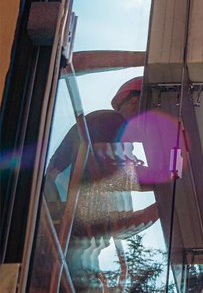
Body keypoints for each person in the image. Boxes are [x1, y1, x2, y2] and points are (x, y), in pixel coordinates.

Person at [37, 76, 158, 291]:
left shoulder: (115, 138)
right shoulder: (109, 122)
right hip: (60, 226)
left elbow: (113, 219)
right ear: (134, 101)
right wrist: (165, 184)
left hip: (67, 235)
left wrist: (157, 206)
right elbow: (115, 173)